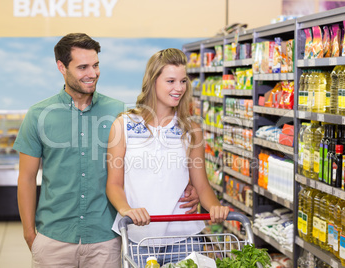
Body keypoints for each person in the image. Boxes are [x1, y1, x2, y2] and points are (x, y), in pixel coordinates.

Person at [13, 33, 199, 268]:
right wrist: (30, 234)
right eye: (82, 67)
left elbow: (155, 162)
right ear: (61, 67)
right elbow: (27, 178)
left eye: (96, 65)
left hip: (107, 241)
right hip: (54, 238)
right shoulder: (39, 115)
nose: (92, 73)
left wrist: (188, 186)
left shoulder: (121, 114)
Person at [106, 48, 230, 266]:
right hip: (139, 238)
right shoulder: (124, 125)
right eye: (171, 81)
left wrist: (214, 207)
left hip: (184, 237)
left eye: (183, 81)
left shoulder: (191, 129)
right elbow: (114, 184)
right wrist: (127, 210)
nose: (179, 88)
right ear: (153, 81)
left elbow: (201, 185)